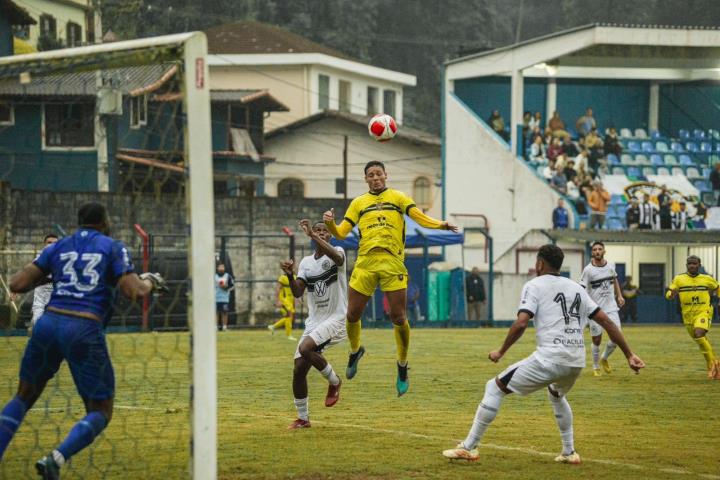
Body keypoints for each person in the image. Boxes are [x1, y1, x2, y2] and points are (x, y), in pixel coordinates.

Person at [0, 202, 165, 477]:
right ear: (104, 221)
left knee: (24, 394)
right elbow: (132, 290)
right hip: (83, 328)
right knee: (101, 410)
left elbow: (17, 284)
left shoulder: (58, 247)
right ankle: (56, 458)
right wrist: (150, 280)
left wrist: (54, 272)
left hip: (49, 324)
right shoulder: (112, 246)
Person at [442, 244, 644, 463]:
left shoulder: (534, 285)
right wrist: (629, 354)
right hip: (576, 361)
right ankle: (569, 452)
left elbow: (521, 323)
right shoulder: (576, 288)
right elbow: (606, 320)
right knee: (557, 395)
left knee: (494, 387)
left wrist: (501, 351)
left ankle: (469, 447)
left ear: (540, 263)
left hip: (550, 358)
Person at [323, 160, 459, 396]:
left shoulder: (398, 197)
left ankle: (402, 365)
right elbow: (342, 233)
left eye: (378, 173)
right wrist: (330, 225)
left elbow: (419, 217)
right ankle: (355, 351)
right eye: (370, 175)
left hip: (392, 262)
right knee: (352, 314)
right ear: (365, 179)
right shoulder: (358, 203)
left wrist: (442, 225)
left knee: (398, 317)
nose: (375, 177)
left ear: (386, 175)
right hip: (365, 263)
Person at [281, 220, 348, 429]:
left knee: (305, 348)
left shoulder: (338, 252)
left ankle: (335, 381)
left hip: (335, 318)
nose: (321, 233)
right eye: (317, 230)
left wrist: (312, 235)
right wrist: (290, 274)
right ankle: (303, 418)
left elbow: (336, 258)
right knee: (299, 369)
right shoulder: (307, 262)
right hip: (314, 322)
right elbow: (298, 291)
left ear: (331, 235)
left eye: (324, 231)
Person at [666, 256, 720, 379]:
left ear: (699, 265)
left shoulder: (707, 279)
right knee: (700, 340)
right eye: (689, 263)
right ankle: (715, 364)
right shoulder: (679, 279)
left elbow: (717, 288)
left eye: (694, 263)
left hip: (703, 311)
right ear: (686, 265)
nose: (692, 266)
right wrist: (670, 295)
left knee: (699, 332)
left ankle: (711, 366)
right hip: (688, 315)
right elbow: (669, 292)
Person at [580, 241, 625, 376]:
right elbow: (581, 288)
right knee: (597, 340)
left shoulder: (611, 265)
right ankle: (595, 367)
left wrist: (620, 296)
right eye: (595, 249)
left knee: (617, 336)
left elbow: (615, 279)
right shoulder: (588, 270)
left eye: (600, 249)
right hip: (595, 310)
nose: (597, 251)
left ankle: (604, 358)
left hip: (611, 307)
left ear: (604, 251)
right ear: (592, 252)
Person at [30, 234, 59, 330]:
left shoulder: (63, 259)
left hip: (57, 293)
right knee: (37, 319)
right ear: (44, 244)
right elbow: (29, 274)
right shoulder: (39, 258)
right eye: (49, 243)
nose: (51, 245)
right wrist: (15, 291)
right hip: (41, 292)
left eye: (54, 243)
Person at [269, 271, 297, 341]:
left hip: (290, 300)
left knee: (289, 317)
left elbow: (295, 290)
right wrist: (278, 301)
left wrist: (296, 300)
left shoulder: (295, 277)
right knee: (289, 315)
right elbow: (278, 289)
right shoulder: (283, 278)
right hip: (284, 299)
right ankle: (289, 335)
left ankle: (273, 326)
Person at [214, 263, 234, 331]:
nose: (221, 268)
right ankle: (215, 327)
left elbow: (232, 286)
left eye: (223, 267)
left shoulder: (227, 276)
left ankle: (224, 327)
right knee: (216, 312)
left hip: (225, 298)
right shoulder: (214, 276)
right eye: (220, 267)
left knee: (224, 312)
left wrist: (226, 287)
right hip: (215, 298)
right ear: (217, 268)